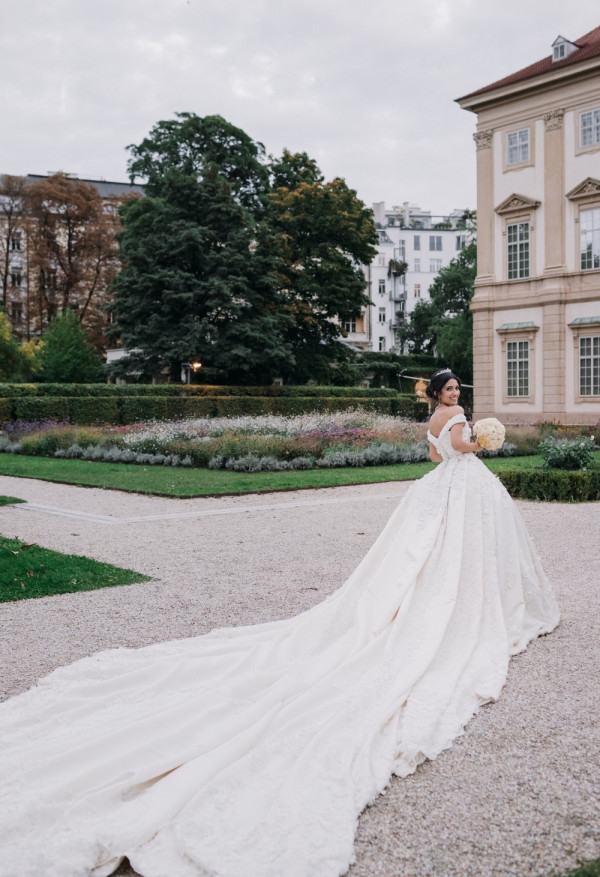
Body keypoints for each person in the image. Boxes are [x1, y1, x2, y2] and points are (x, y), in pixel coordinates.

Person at [0, 369, 560, 877]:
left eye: (458, 390)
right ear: (439, 394)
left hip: (437, 492)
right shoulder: (457, 422)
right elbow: (458, 451)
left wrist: (466, 440)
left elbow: (435, 459)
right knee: (451, 561)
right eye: (451, 389)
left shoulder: (430, 421)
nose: (456, 395)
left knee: (425, 559)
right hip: (459, 491)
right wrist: (486, 436)